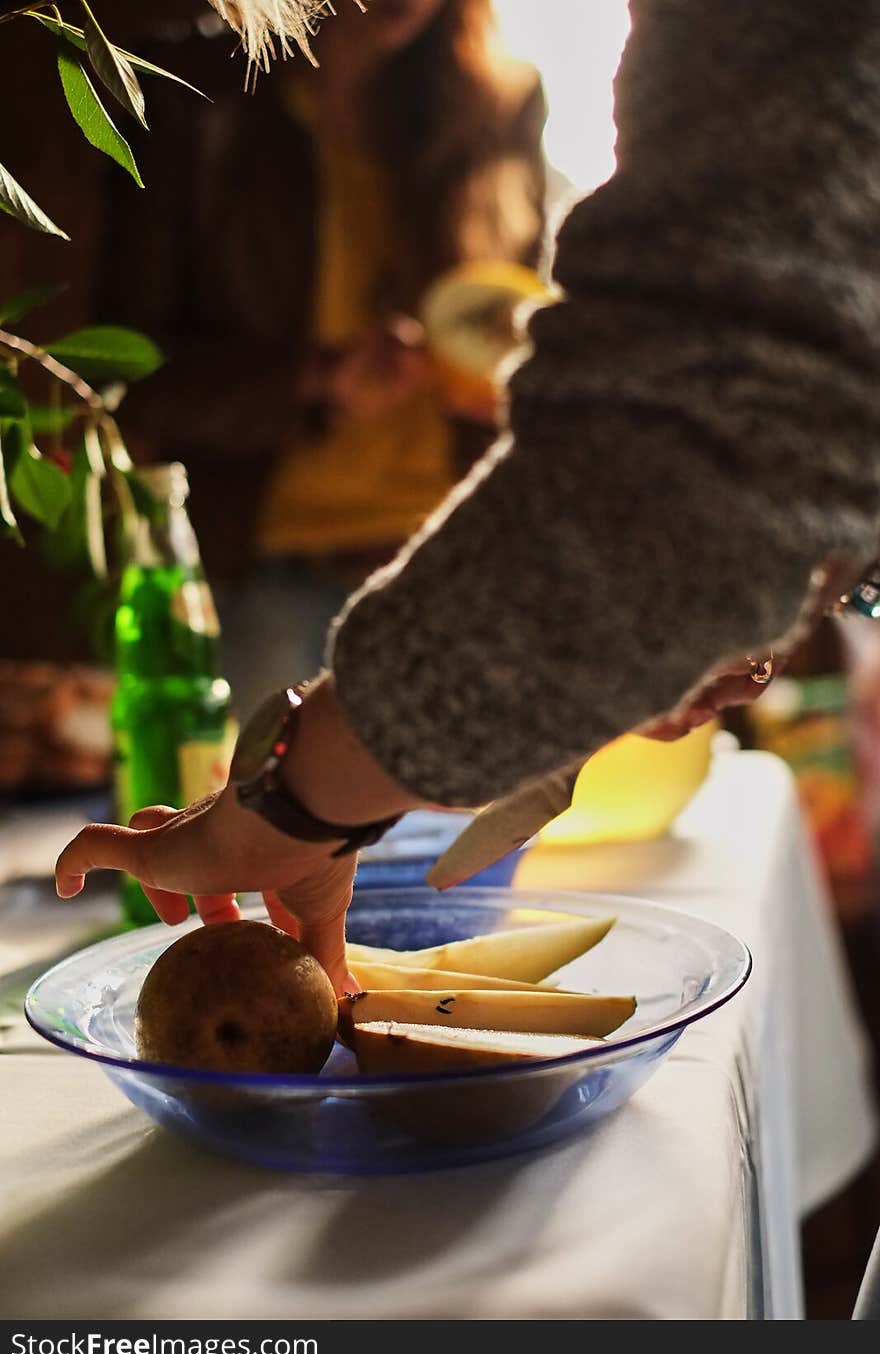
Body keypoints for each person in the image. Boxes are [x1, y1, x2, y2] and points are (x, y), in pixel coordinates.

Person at [58, 0, 880, 996]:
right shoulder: (202, 106)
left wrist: (293, 797)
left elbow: (709, 438)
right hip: (307, 574)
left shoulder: (511, 97)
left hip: (438, 566)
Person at [95, 0, 548, 717]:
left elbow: (526, 331)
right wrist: (317, 383)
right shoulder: (195, 92)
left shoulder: (496, 102)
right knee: (259, 824)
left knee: (468, 830)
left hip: (449, 571)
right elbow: (125, 373)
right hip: (266, 581)